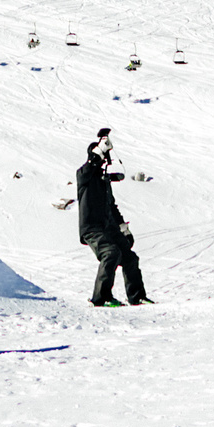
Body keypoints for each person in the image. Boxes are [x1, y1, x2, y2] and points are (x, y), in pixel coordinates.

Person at [74, 129, 152, 306]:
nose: (103, 163)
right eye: (101, 159)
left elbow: (112, 207)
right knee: (110, 253)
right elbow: (88, 167)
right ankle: (101, 298)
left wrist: (123, 228)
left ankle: (137, 297)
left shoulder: (104, 181)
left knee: (130, 258)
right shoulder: (85, 177)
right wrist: (99, 152)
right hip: (92, 228)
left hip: (108, 227)